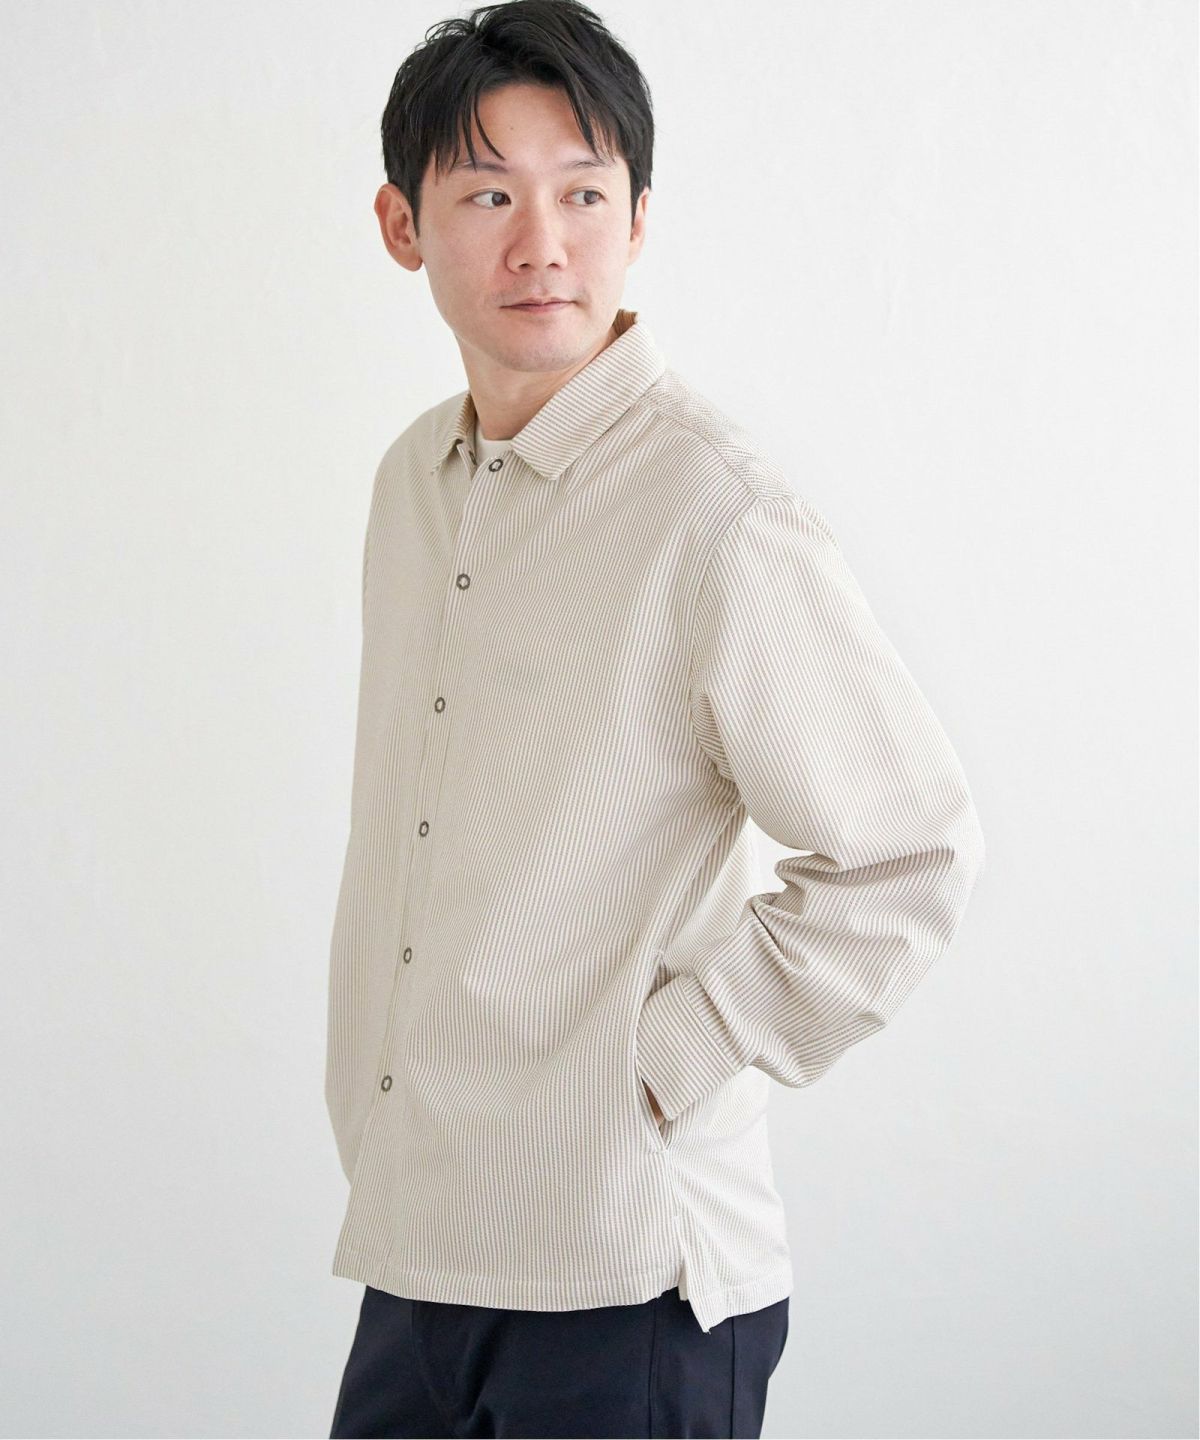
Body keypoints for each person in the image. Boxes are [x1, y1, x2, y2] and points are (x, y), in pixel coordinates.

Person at [324, 2, 986, 1435]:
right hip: (420, 1240)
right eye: (487, 195)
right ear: (401, 225)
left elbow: (910, 852)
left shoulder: (713, 511)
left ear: (637, 220)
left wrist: (668, 1059)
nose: (540, 244)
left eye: (583, 194)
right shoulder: (412, 484)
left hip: (628, 1276)